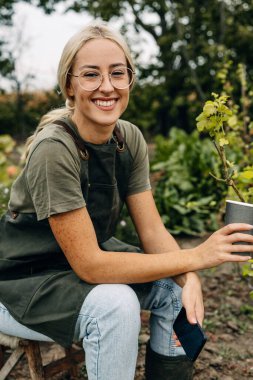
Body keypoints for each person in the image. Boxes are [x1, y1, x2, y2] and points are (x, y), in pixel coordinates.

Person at [0, 21, 252, 380]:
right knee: (116, 304)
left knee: (174, 292)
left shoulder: (127, 139)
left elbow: (151, 231)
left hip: (79, 269)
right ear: (69, 85)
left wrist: (189, 276)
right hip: (23, 283)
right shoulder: (54, 149)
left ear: (130, 80)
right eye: (91, 75)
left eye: (117, 74)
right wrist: (196, 255)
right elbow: (90, 265)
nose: (107, 86)